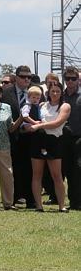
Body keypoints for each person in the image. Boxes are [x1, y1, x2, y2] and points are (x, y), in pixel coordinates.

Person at [24, 81, 70, 212]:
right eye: (52, 91)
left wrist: (38, 126)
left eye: (58, 91)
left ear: (61, 93)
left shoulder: (65, 106)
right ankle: (39, 206)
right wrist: (27, 126)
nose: (55, 93)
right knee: (36, 174)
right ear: (48, 92)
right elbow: (30, 118)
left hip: (54, 141)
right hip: (38, 140)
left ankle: (61, 205)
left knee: (57, 176)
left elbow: (57, 123)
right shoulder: (42, 105)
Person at [1, 65, 41, 208]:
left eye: (29, 77)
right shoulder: (5, 93)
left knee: (32, 168)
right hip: (13, 135)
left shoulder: (36, 91)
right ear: (16, 77)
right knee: (14, 167)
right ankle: (15, 197)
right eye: (23, 77)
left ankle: (31, 199)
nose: (26, 79)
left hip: (32, 136)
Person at [62, 67, 81, 210]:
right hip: (64, 138)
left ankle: (78, 201)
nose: (70, 81)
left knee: (78, 169)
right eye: (67, 78)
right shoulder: (60, 96)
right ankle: (73, 201)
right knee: (68, 169)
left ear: (78, 79)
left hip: (79, 137)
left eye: (73, 78)